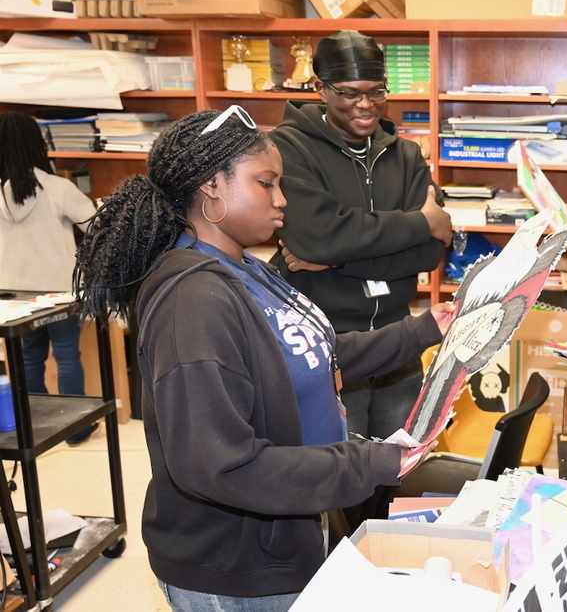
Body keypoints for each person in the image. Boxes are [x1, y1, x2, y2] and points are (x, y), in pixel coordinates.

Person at [72, 106, 454, 611]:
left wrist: (428, 328)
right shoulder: (194, 303)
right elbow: (222, 466)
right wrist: (372, 462)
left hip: (286, 527)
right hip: (235, 565)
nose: (282, 200)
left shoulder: (245, 268)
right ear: (212, 187)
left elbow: (318, 353)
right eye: (266, 184)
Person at [270, 30, 451, 444]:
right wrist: (420, 223)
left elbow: (428, 253)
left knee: (400, 466)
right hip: (323, 343)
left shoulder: (404, 154)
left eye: (376, 92)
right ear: (320, 88)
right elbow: (318, 238)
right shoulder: (287, 148)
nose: (366, 105)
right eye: (350, 93)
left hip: (398, 343)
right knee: (336, 478)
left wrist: (339, 260)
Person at [0, 111, 97, 444]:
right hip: (59, 291)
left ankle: (37, 426)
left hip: (13, 298)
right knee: (68, 354)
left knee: (29, 357)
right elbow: (95, 226)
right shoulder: (56, 188)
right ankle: (76, 429)